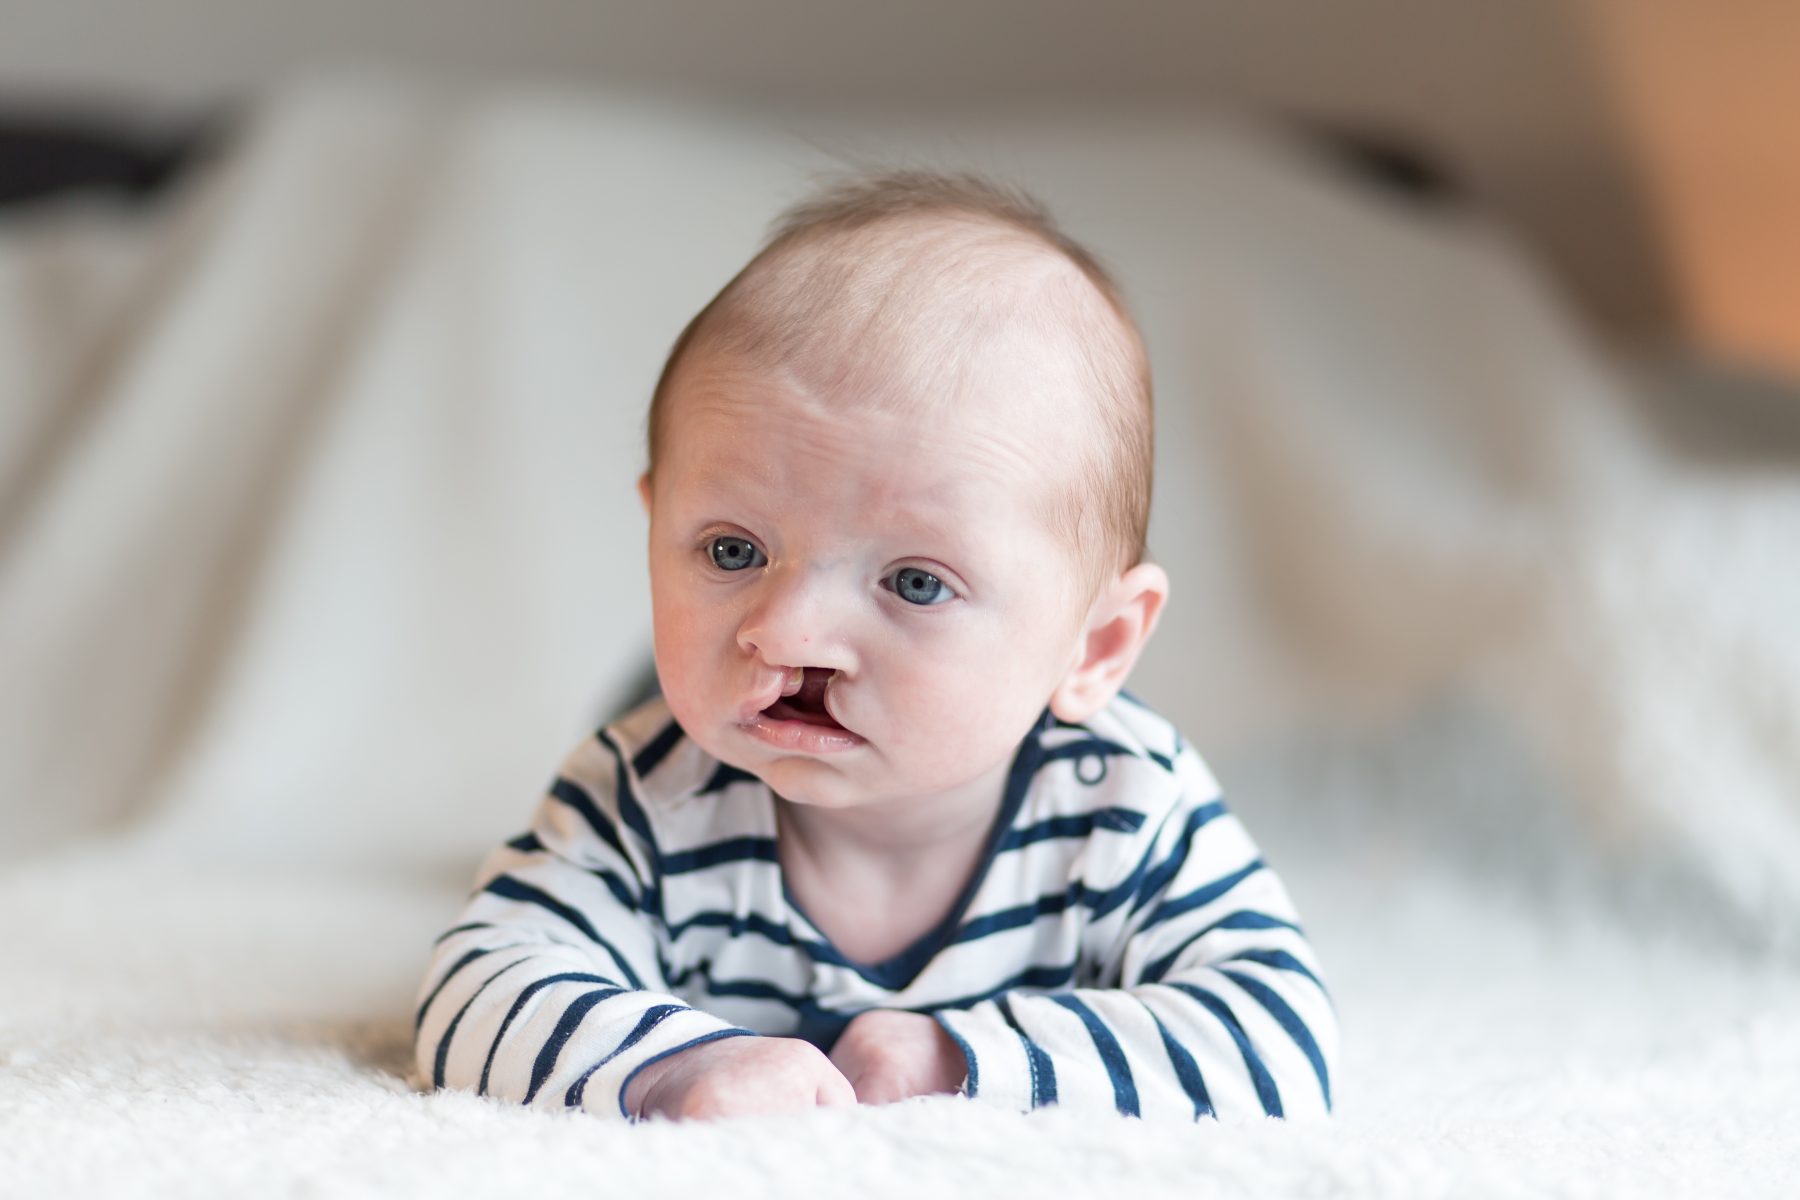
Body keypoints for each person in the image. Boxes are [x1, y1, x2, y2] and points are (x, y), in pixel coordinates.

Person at [412, 170, 1336, 1123]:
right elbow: (474, 990)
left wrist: (954, 1058)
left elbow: (1278, 1044)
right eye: (733, 550)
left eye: (916, 582)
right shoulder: (646, 796)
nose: (788, 630)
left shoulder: (1125, 804)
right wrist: (678, 1067)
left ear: (1095, 646)